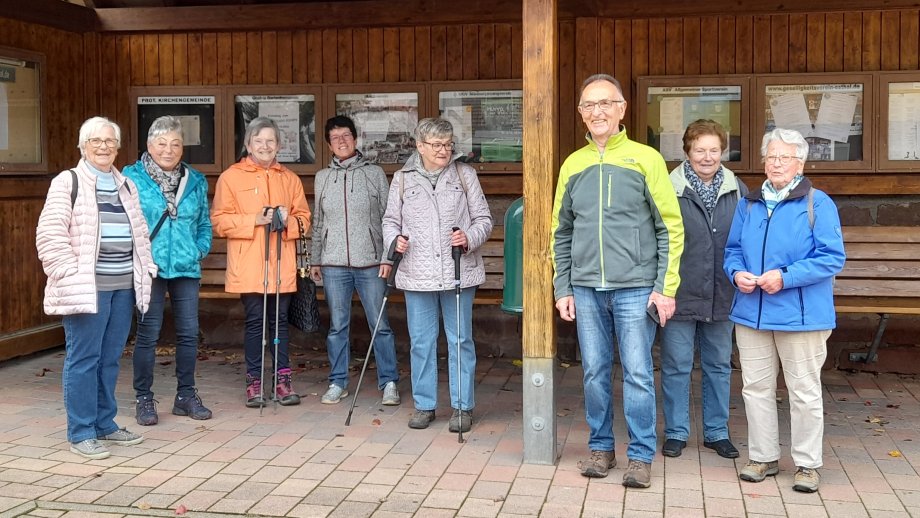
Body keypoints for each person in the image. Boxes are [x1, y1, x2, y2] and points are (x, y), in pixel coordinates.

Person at [551, 74, 684, 488]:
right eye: (589, 106)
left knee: (638, 373)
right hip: (586, 288)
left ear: (622, 109)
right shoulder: (573, 164)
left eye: (606, 103)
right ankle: (601, 447)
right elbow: (561, 232)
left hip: (636, 287)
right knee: (592, 371)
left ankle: (641, 455)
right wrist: (563, 287)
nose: (598, 112)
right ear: (580, 114)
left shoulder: (646, 159)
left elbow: (670, 227)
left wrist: (665, 287)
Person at [724, 128, 845, 493]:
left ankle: (807, 465)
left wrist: (786, 277)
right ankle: (762, 457)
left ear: (800, 163)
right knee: (755, 388)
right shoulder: (749, 203)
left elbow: (831, 257)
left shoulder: (818, 203)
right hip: (752, 312)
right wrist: (736, 274)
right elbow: (732, 251)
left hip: (801, 316)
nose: (776, 163)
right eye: (771, 157)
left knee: (803, 391)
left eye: (785, 157)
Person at [36, 116, 156, 460]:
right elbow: (50, 234)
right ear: (82, 146)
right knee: (84, 359)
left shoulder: (126, 185)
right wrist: (67, 273)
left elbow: (140, 233)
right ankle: (82, 431)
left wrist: (145, 270)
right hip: (87, 288)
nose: (103, 147)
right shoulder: (68, 181)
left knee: (109, 360)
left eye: (109, 141)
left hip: (122, 286)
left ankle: (105, 423)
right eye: (96, 141)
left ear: (117, 147)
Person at [382, 117, 493, 432]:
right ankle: (424, 405)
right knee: (421, 342)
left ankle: (462, 407)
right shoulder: (402, 178)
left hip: (458, 270)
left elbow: (483, 218)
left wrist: (469, 237)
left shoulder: (464, 174)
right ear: (420, 146)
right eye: (437, 145)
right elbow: (390, 219)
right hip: (418, 273)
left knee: (460, 340)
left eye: (448, 144)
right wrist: (394, 240)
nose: (444, 150)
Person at [660, 120, 747, 459]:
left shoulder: (737, 188)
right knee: (676, 364)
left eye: (714, 150)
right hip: (679, 290)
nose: (707, 157)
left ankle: (716, 431)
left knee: (718, 365)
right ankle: (677, 432)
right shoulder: (669, 187)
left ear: (722, 152)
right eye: (700, 150)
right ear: (687, 152)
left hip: (723, 291)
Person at [211, 116, 312, 408]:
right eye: (259, 141)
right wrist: (255, 220)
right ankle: (254, 381)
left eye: (270, 141)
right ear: (248, 144)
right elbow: (219, 221)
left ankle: (282, 379)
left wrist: (287, 221)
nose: (265, 146)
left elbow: (305, 220)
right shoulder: (232, 176)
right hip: (250, 266)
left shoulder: (288, 178)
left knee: (279, 322)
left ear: (279, 145)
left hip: (282, 264)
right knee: (255, 322)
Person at [123, 116, 213, 426]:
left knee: (188, 335)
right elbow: (125, 221)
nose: (168, 149)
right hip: (150, 268)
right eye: (161, 143)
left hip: (186, 268)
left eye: (175, 143)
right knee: (148, 335)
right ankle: (144, 398)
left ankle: (185, 396)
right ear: (149, 145)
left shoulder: (196, 180)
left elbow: (203, 223)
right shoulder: (131, 177)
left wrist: (198, 249)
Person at [311, 115, 400, 406]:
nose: (341, 142)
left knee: (380, 325)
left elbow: (390, 217)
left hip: (372, 262)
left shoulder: (373, 173)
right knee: (338, 326)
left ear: (355, 138)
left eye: (346, 136)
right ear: (328, 144)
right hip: (333, 263)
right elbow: (318, 221)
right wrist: (316, 260)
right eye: (335, 138)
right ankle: (338, 382)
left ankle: (389, 382)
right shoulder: (323, 177)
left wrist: (389, 256)